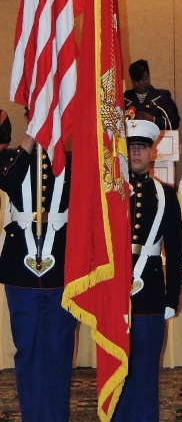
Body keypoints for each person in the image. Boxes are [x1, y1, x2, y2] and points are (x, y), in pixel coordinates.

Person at [0, 129, 76, 422]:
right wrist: (30, 138)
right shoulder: (11, 157)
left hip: (62, 268)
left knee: (59, 351)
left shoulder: (74, 161)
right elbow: (7, 179)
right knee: (28, 351)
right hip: (21, 269)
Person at [112, 119, 182, 422]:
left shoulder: (166, 195)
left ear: (152, 151)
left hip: (150, 290)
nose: (137, 152)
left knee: (145, 368)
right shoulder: (111, 193)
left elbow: (176, 253)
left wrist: (171, 298)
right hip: (114, 290)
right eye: (131, 146)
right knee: (115, 366)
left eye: (142, 146)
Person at [124, 59, 180, 130]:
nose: (141, 83)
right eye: (137, 80)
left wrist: (153, 120)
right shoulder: (124, 99)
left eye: (144, 79)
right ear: (131, 80)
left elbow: (175, 123)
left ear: (149, 76)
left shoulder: (163, 97)